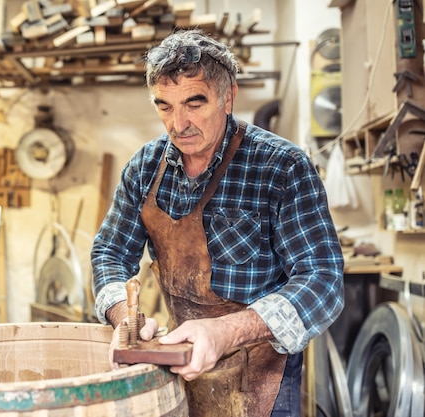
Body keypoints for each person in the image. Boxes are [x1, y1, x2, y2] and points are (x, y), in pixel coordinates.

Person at [91, 29, 344, 417]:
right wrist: (125, 319)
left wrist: (224, 331)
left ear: (229, 98)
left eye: (195, 103)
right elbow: (109, 251)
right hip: (179, 366)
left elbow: (322, 281)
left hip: (262, 382)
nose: (178, 124)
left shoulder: (282, 167)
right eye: (164, 106)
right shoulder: (145, 168)